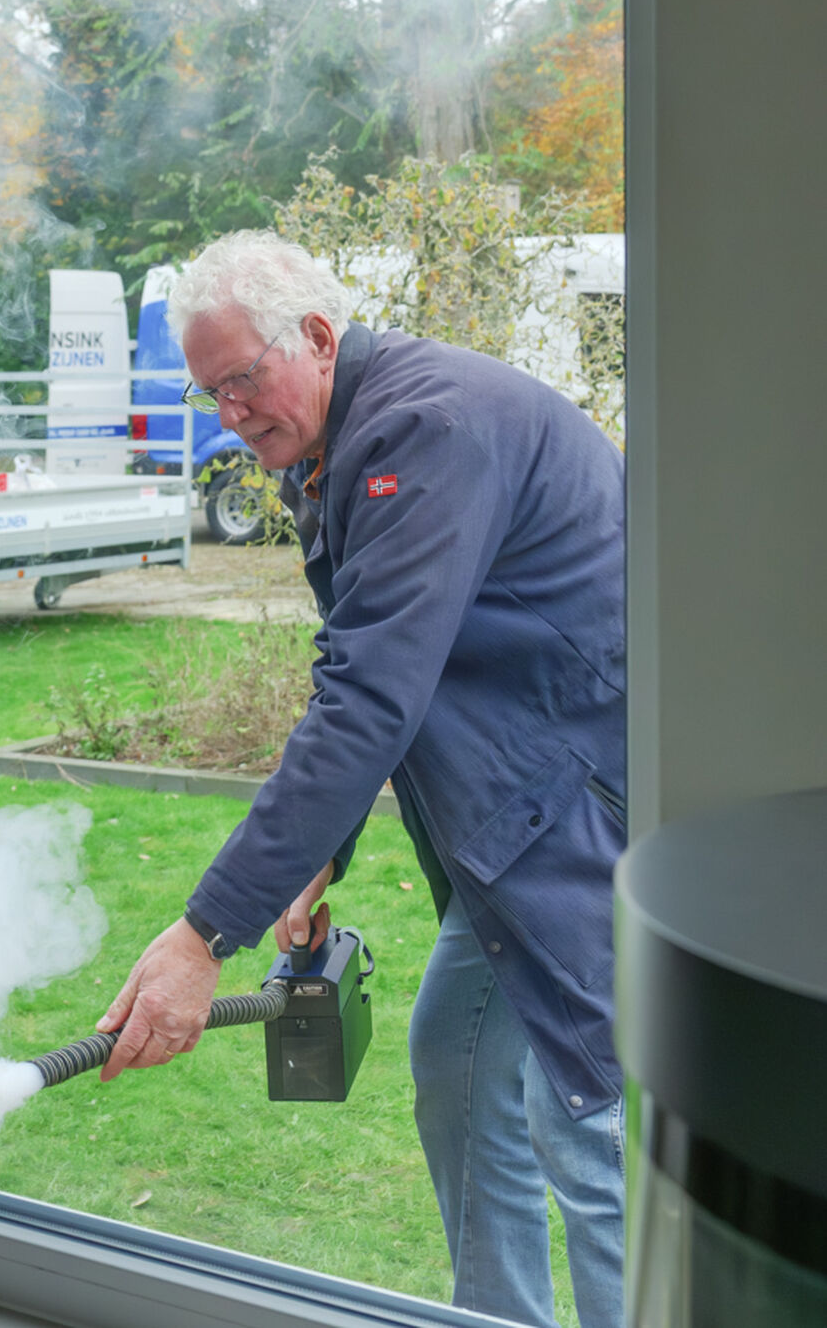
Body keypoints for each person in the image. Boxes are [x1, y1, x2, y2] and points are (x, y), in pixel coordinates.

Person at [97, 230, 626, 1328]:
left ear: (321, 338)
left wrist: (204, 936)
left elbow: (372, 698)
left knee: (589, 1122)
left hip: (574, 810)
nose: (232, 415)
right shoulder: (339, 446)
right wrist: (321, 852)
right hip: (515, 816)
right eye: (211, 396)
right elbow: (373, 669)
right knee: (455, 1064)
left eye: (242, 380)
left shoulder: (420, 432)